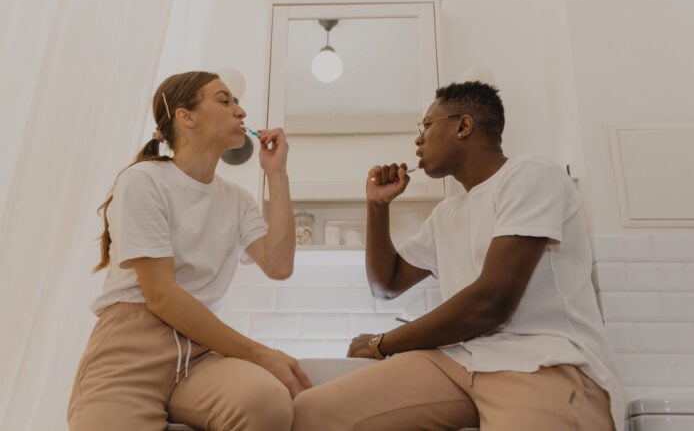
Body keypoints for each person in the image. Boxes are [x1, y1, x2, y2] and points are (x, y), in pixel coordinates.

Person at [292, 81, 625, 431]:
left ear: (463, 126)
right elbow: (385, 285)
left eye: (427, 126)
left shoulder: (530, 176)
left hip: (542, 362)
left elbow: (491, 303)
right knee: (313, 413)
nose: (418, 140)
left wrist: (382, 344)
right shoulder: (447, 214)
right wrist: (378, 205)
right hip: (463, 363)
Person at [67, 71, 311, 431]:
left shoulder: (237, 201)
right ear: (186, 116)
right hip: (130, 349)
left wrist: (277, 174)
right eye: (225, 101)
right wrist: (261, 353)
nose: (240, 112)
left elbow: (279, 265)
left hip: (199, 353)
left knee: (265, 402)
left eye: (237, 102)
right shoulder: (143, 181)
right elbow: (161, 296)